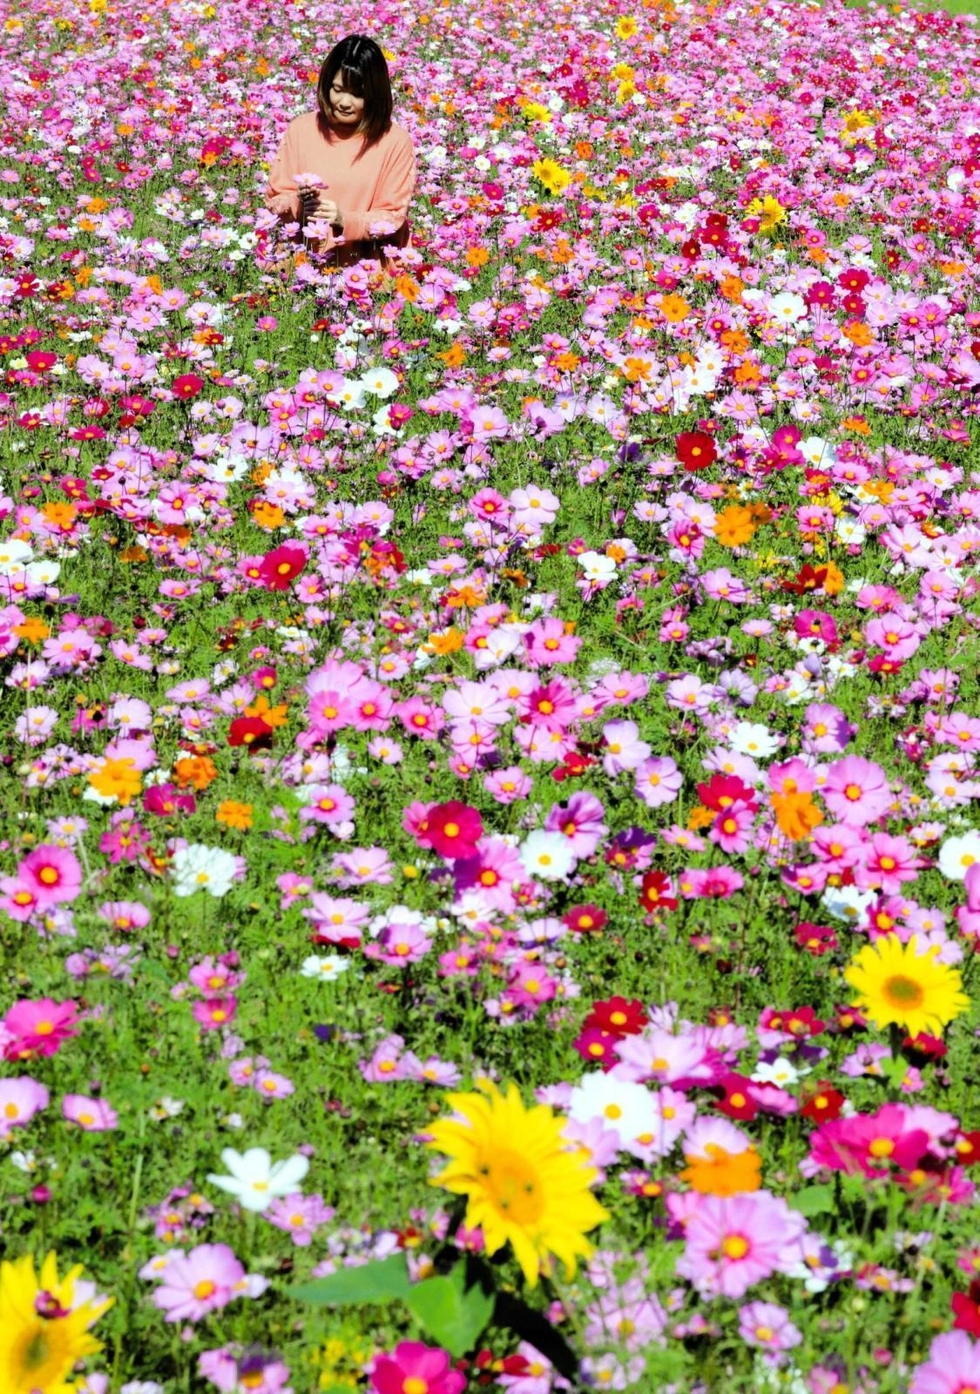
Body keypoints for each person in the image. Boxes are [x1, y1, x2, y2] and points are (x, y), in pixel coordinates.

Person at [266, 35, 416, 266]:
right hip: (301, 263)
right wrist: (299, 202)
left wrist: (343, 219)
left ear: (375, 94)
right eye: (337, 89)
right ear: (326, 84)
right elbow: (276, 198)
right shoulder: (302, 129)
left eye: (357, 94)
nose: (344, 102)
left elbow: (392, 215)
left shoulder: (394, 142)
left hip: (367, 270)